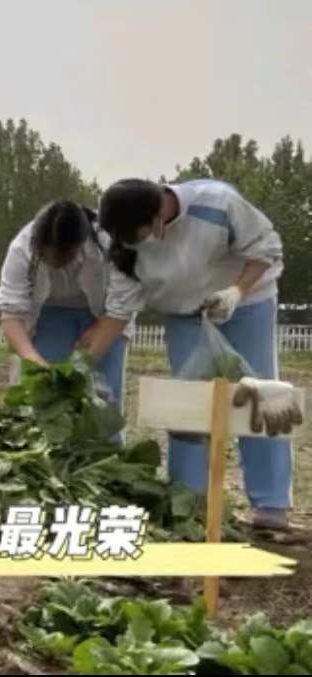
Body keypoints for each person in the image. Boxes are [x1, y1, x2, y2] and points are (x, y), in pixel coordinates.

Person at [85, 178, 293, 531]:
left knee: (260, 394)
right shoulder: (123, 243)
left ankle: (271, 505)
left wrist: (236, 292)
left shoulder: (217, 202)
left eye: (140, 235)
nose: (137, 244)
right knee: (188, 405)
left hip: (246, 303)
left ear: (156, 217)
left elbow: (266, 247)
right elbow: (119, 311)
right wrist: (82, 364)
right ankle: (188, 501)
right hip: (183, 314)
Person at [0, 200, 129, 406]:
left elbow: (124, 301)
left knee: (103, 394)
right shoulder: (21, 249)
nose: (53, 262)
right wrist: (34, 361)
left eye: (61, 256)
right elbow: (11, 315)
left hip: (106, 314)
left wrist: (91, 348)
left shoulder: (109, 242)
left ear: (79, 245)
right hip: (50, 314)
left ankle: (104, 424)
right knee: (46, 393)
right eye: (45, 256)